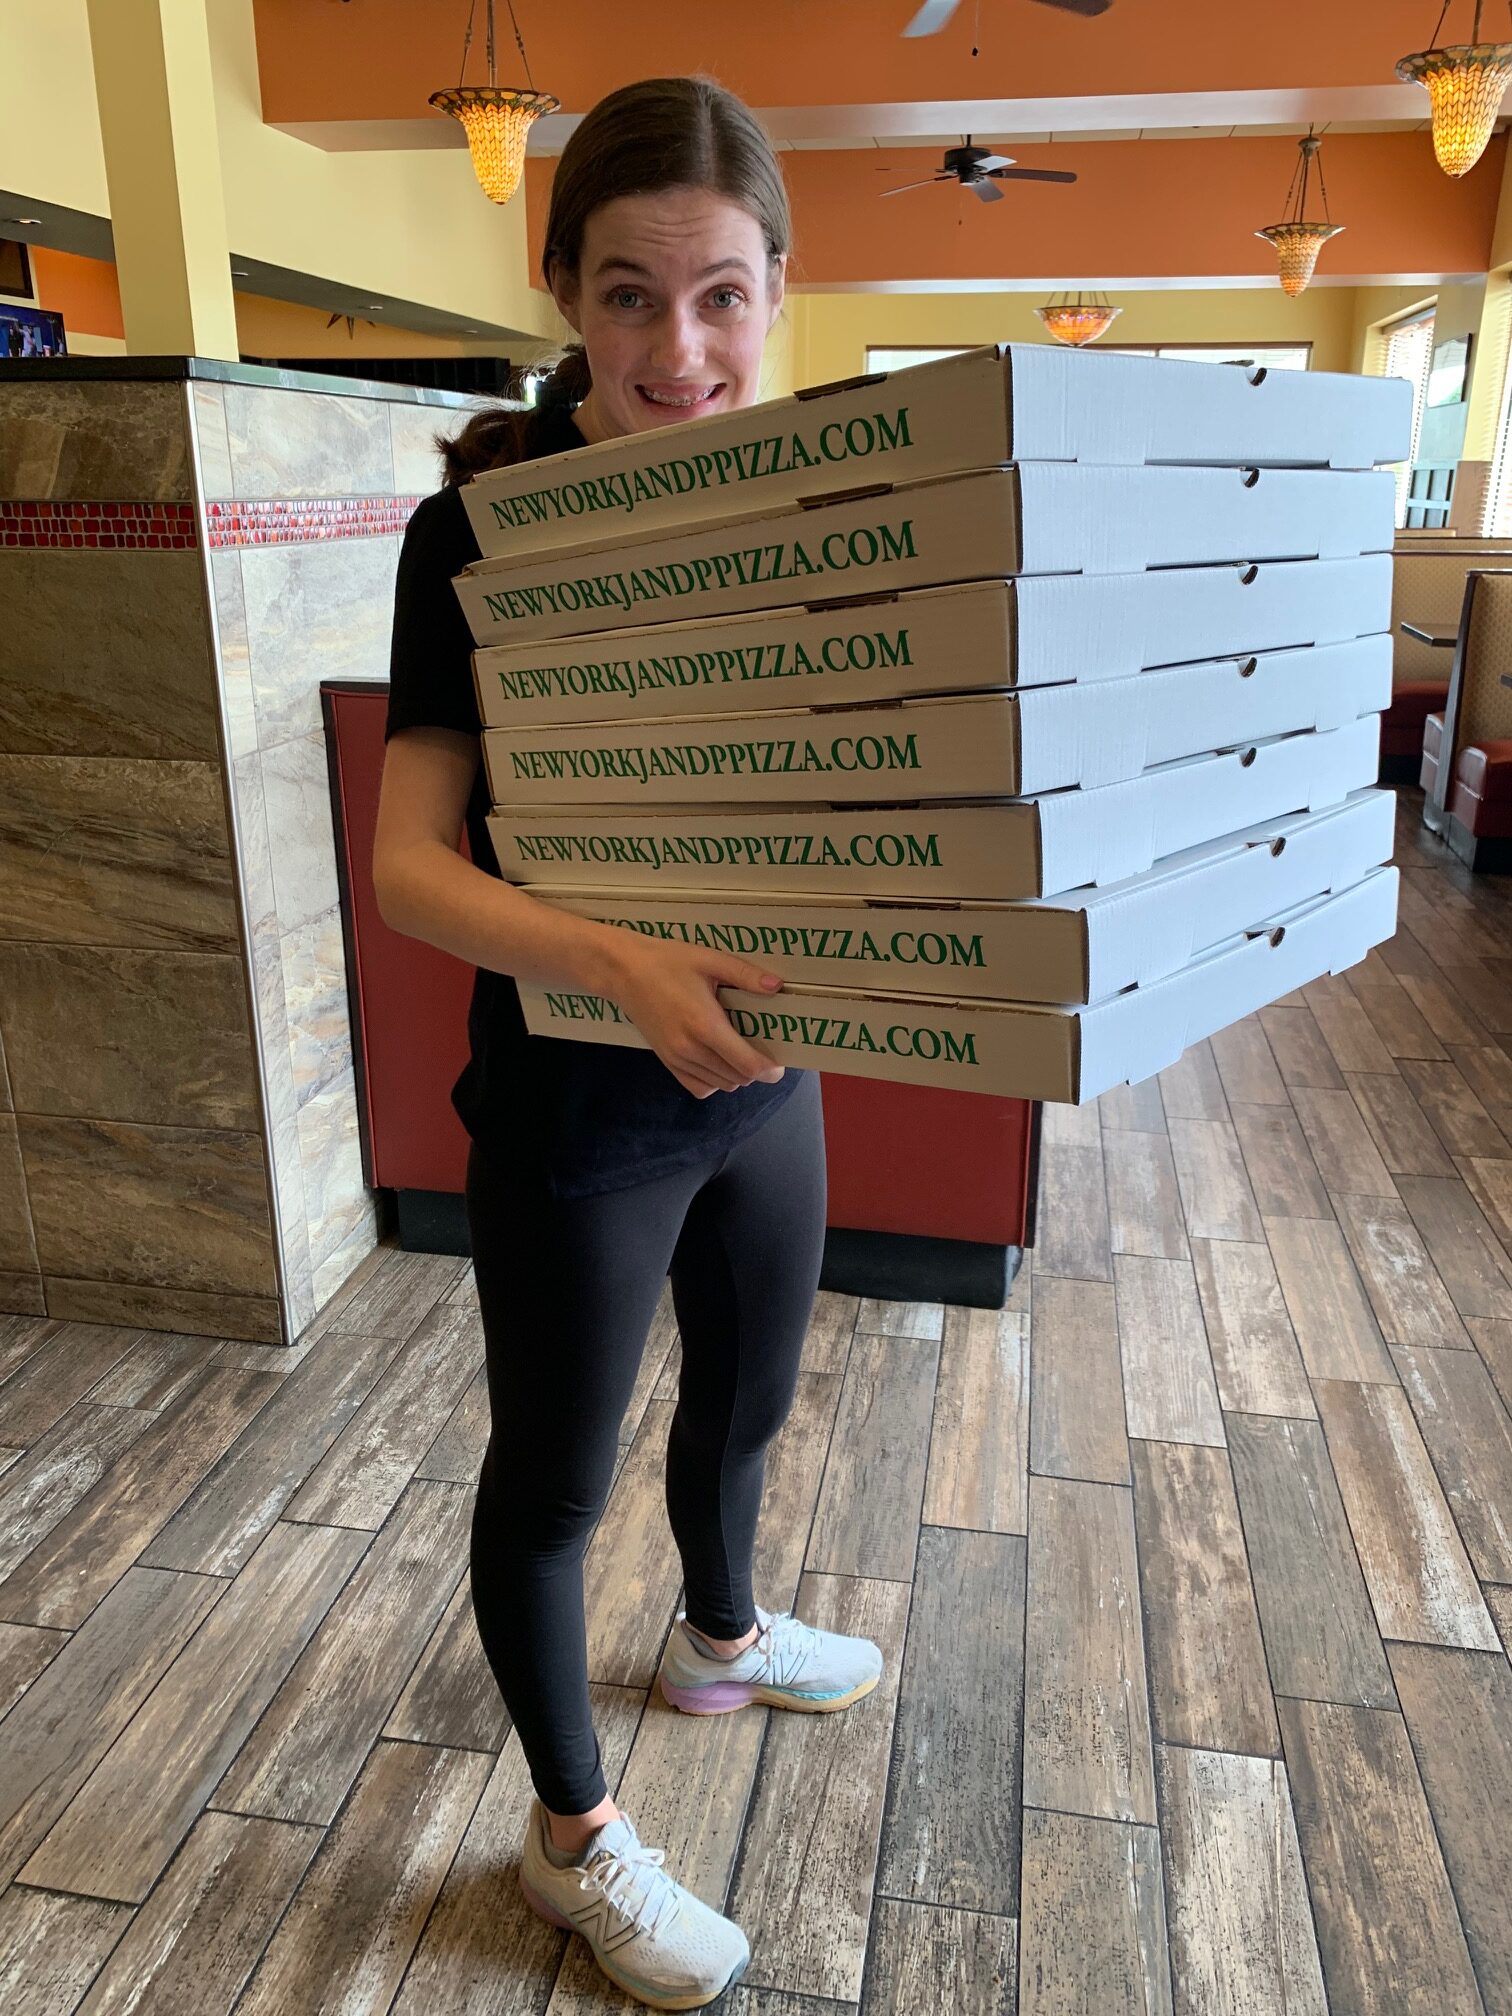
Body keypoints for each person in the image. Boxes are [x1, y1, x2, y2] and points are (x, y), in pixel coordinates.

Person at [374, 74, 884, 2012]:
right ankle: (570, 1838)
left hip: (766, 1078)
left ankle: (722, 1639)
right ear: (565, 296)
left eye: (724, 296)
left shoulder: (820, 498)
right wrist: (613, 958)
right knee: (555, 1485)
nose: (682, 348)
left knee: (753, 1394)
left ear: (780, 293)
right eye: (630, 296)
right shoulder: (476, 534)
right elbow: (412, 868)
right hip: (583, 1103)